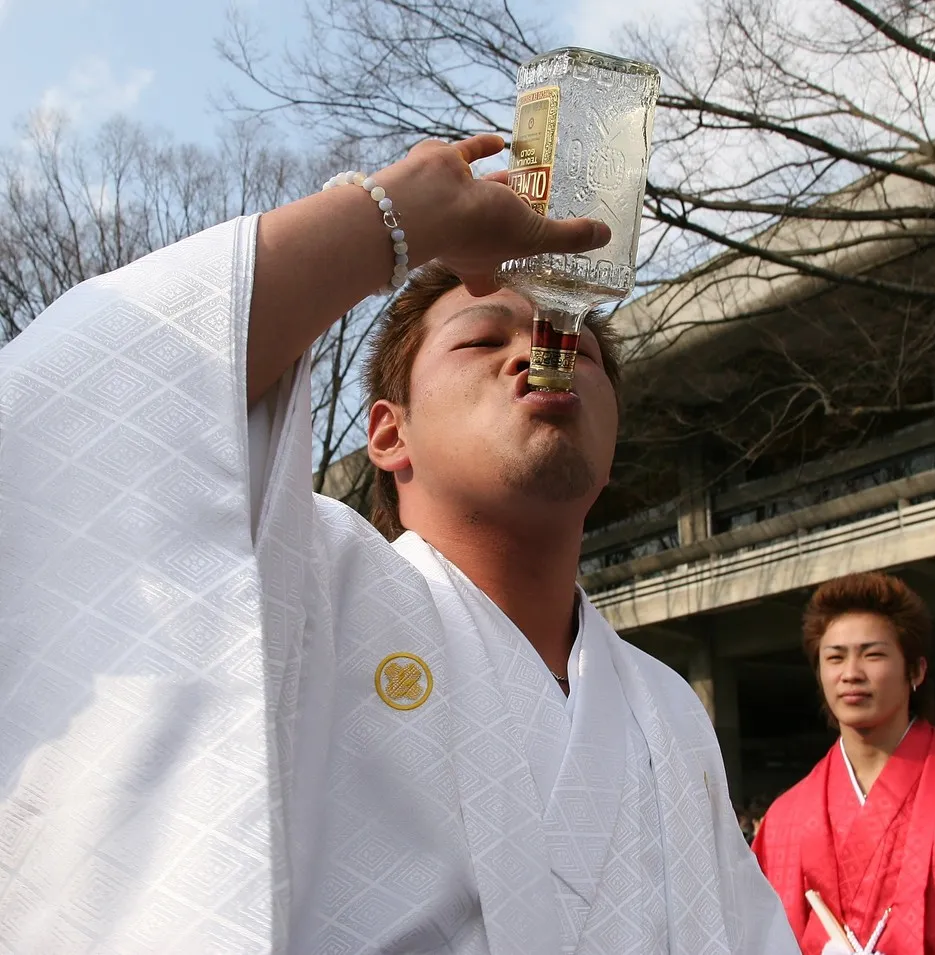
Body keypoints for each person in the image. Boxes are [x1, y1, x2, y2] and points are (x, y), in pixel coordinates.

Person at [0, 133, 799, 953]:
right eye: (484, 340)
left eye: (579, 347)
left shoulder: (667, 706)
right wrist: (396, 217)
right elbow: (81, 416)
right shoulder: (296, 589)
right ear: (388, 432)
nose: (541, 353)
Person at [752, 571, 935, 955]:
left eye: (873, 654)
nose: (851, 674)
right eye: (834, 658)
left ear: (915, 671)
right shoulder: (785, 818)